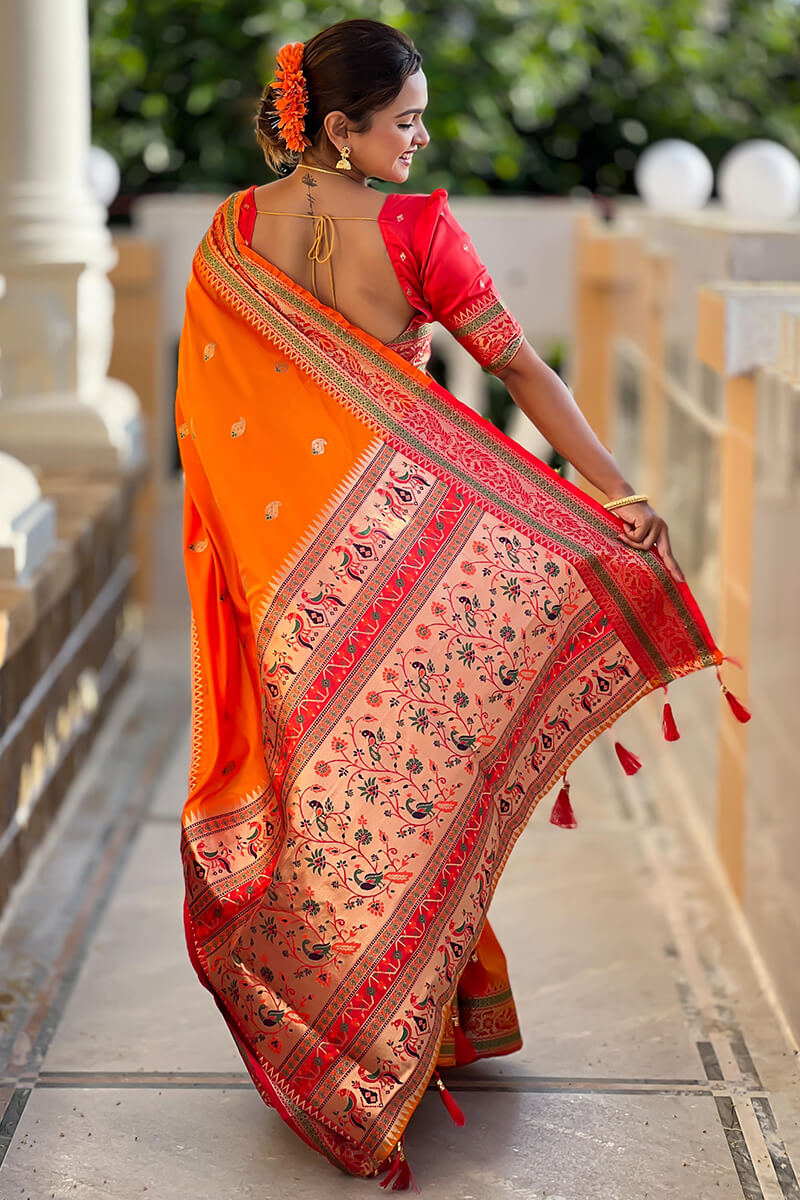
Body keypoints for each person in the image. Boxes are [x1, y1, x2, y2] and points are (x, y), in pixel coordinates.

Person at [175, 17, 744, 1191]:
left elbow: (212, 433)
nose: (421, 139)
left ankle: (347, 1040)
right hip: (410, 575)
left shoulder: (231, 237)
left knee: (325, 797)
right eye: (404, 121)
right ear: (338, 127)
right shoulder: (417, 231)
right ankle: (410, 1037)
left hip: (289, 585)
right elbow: (518, 369)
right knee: (415, 802)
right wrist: (612, 491)